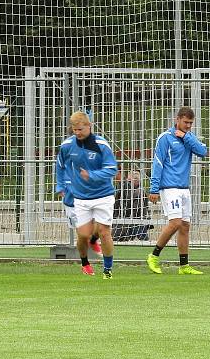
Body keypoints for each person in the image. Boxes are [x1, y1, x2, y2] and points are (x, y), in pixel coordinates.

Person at [55, 111, 118, 279]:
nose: (77, 133)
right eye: (74, 130)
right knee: (83, 235)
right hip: (80, 198)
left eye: (81, 129)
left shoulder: (101, 145)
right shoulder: (67, 145)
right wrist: (60, 185)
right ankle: (84, 263)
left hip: (103, 195)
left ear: (89, 126)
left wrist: (92, 175)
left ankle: (108, 269)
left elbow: (112, 169)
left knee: (104, 232)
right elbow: (60, 165)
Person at [146, 106, 209, 275]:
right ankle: (153, 256)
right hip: (169, 187)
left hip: (184, 187)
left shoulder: (188, 137)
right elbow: (157, 163)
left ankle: (184, 266)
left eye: (190, 123)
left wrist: (186, 137)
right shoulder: (165, 138)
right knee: (175, 223)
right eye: (186, 122)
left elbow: (203, 151)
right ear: (177, 119)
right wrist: (154, 188)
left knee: (185, 226)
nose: (188, 126)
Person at [56, 142, 102, 256]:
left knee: (97, 223)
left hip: (88, 194)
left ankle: (91, 244)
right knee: (81, 230)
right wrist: (61, 186)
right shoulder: (66, 151)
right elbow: (59, 167)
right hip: (71, 197)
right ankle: (85, 257)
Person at [113, 169, 153, 241]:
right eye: (134, 178)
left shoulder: (140, 190)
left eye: (137, 178)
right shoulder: (123, 187)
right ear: (129, 178)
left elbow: (144, 206)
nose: (136, 179)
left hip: (132, 217)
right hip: (125, 217)